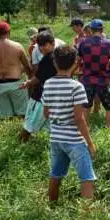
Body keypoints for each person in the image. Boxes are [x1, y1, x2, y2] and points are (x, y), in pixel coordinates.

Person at [42, 45, 96, 201]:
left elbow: (46, 112)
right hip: (74, 140)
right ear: (76, 63)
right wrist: (90, 143)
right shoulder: (76, 87)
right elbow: (79, 119)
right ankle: (86, 218)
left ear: (54, 63)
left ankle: (51, 206)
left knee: (56, 174)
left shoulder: (48, 84)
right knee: (87, 178)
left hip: (56, 138)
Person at [0, 21, 32, 118]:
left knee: (6, 117)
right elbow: (27, 66)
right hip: (16, 84)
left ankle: (8, 133)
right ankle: (19, 132)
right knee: (22, 114)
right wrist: (30, 81)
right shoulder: (17, 46)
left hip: (0, 85)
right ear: (9, 32)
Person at [77, 19, 110, 128]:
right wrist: (106, 64)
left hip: (87, 80)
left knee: (86, 107)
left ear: (90, 29)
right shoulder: (109, 43)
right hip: (103, 80)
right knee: (109, 108)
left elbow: (78, 60)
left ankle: (86, 132)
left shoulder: (83, 43)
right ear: (102, 29)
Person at [18, 32, 58, 142]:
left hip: (40, 98)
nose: (41, 48)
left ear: (53, 43)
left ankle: (19, 145)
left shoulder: (47, 59)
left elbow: (38, 78)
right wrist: (29, 82)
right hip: (52, 98)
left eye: (44, 45)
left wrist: (29, 83)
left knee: (28, 126)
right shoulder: (58, 56)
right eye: (40, 45)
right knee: (51, 128)